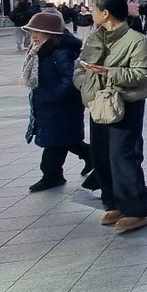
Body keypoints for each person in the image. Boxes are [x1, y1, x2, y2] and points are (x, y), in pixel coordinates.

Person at [75, 0, 147, 234]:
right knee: (101, 155)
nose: (91, 13)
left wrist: (108, 73)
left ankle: (137, 209)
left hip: (125, 105)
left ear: (105, 13)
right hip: (98, 103)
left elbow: (144, 73)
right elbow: (79, 66)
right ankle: (112, 202)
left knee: (123, 156)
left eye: (94, 9)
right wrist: (83, 84)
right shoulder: (94, 37)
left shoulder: (137, 41)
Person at [22, 11, 92, 192]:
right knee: (62, 138)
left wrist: (52, 97)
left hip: (62, 105)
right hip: (51, 104)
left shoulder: (60, 51)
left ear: (51, 33)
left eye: (38, 32)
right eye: (32, 31)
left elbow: (69, 79)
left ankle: (52, 175)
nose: (34, 35)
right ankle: (90, 155)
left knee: (54, 141)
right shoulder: (41, 50)